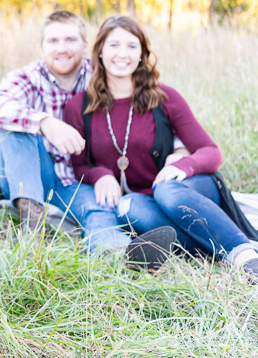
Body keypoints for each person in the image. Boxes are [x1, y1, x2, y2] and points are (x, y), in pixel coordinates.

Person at [64, 15, 258, 282]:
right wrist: (102, 175)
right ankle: (206, 250)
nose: (123, 54)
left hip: (183, 188)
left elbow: (210, 151)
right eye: (114, 45)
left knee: (166, 192)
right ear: (99, 52)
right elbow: (79, 166)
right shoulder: (78, 106)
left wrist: (182, 165)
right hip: (142, 199)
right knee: (128, 208)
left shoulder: (164, 97)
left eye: (132, 46)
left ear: (143, 54)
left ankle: (244, 256)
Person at [0, 11, 147, 255]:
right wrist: (45, 122)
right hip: (32, 177)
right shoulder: (29, 78)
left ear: (86, 45)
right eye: (53, 41)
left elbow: (143, 109)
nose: (62, 48)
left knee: (97, 208)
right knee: (16, 130)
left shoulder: (99, 78)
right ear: (42, 47)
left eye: (70, 40)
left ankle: (117, 252)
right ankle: (32, 234)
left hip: (76, 181)